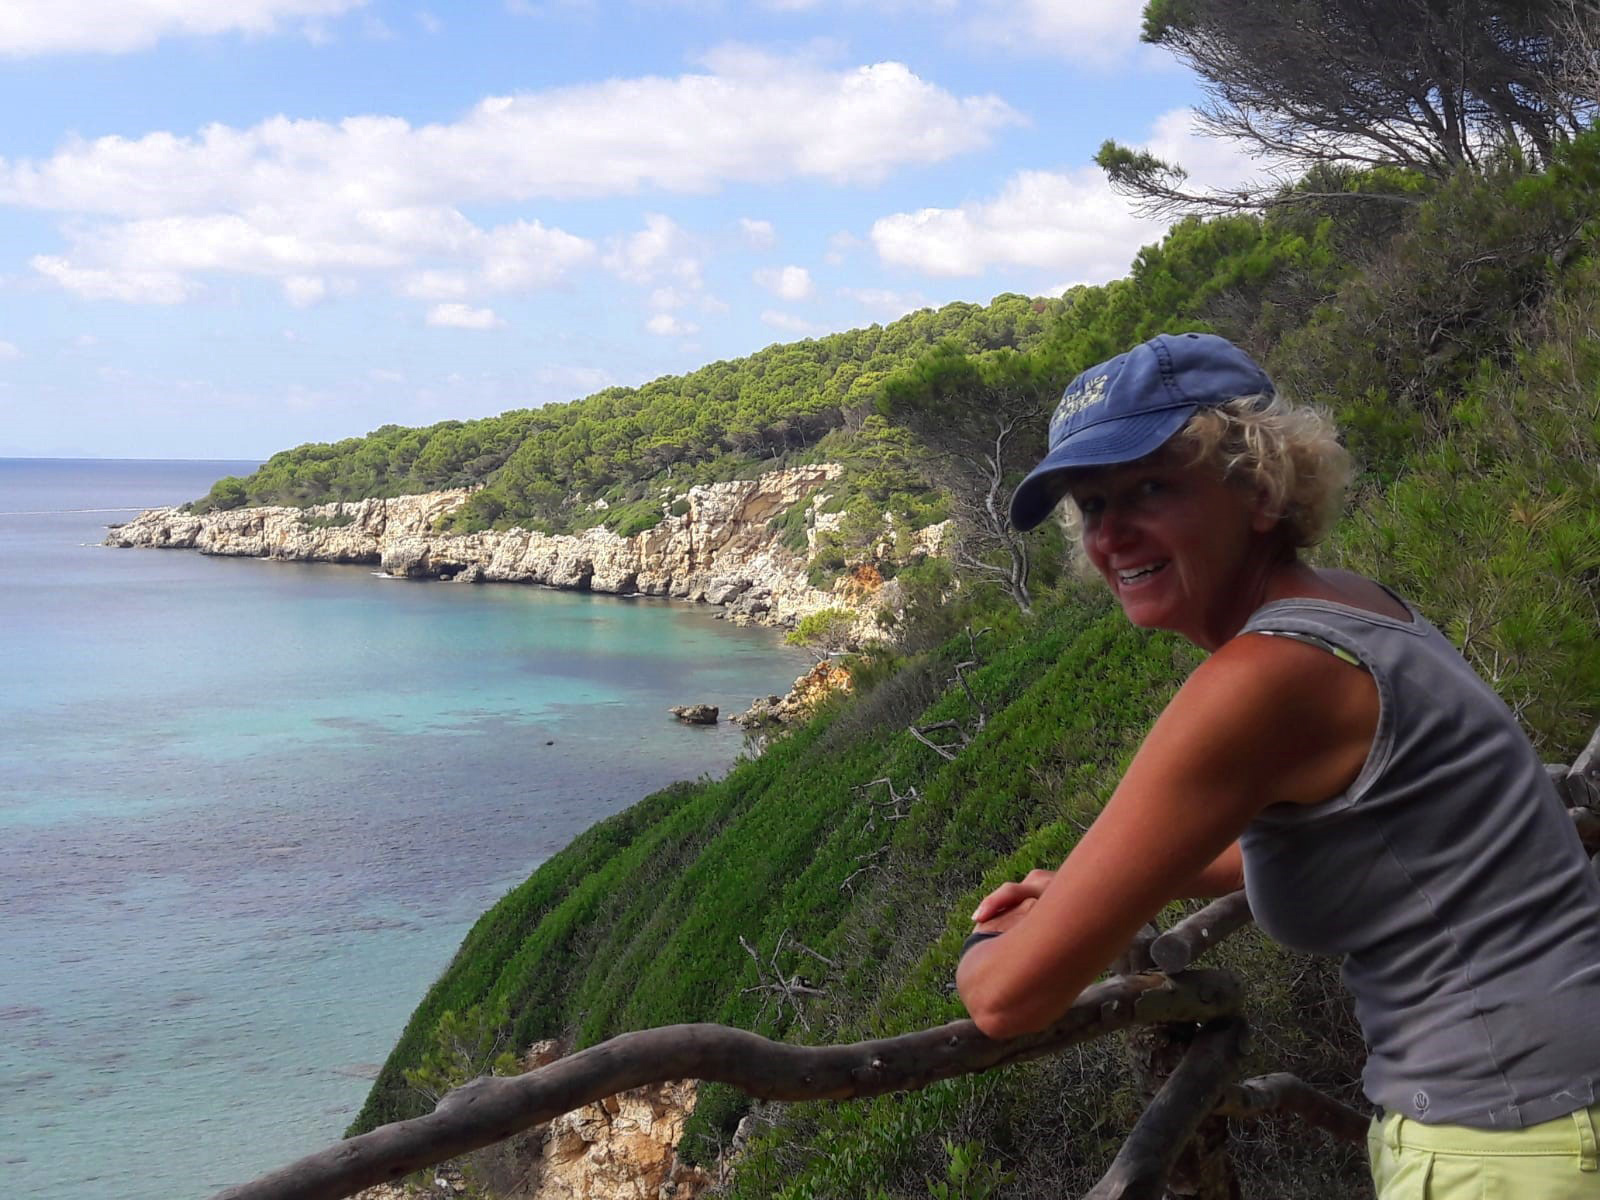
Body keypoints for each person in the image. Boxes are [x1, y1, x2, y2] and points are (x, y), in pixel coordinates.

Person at [954, 332, 1600, 1198]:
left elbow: (1007, 1000)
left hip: (1512, 1134)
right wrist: (1081, 890)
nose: (1113, 535)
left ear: (1259, 486)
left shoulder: (1263, 680)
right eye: (1093, 504)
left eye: (1150, 486)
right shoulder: (1358, 607)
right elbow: (1378, 836)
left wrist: (992, 940)